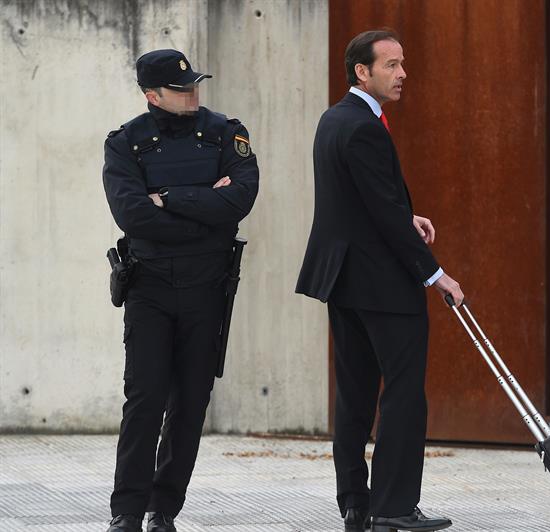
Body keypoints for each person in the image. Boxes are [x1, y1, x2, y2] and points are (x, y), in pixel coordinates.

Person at [296, 29, 464, 532]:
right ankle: (393, 507)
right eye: (391, 65)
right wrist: (436, 274)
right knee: (404, 394)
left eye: (403, 64)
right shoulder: (363, 126)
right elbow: (384, 213)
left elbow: (363, 201)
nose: (402, 74)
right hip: (383, 286)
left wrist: (405, 216)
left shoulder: (334, 120)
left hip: (344, 281)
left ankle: (355, 502)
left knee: (354, 393)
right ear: (361, 72)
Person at [101, 49, 259, 532]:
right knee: (145, 400)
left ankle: (163, 510)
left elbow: (240, 199)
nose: (192, 94)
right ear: (152, 96)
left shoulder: (223, 131)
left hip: (207, 287)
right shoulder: (125, 143)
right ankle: (126, 512)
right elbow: (132, 216)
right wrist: (206, 209)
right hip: (149, 288)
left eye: (194, 84)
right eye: (180, 88)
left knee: (190, 404)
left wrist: (169, 198)